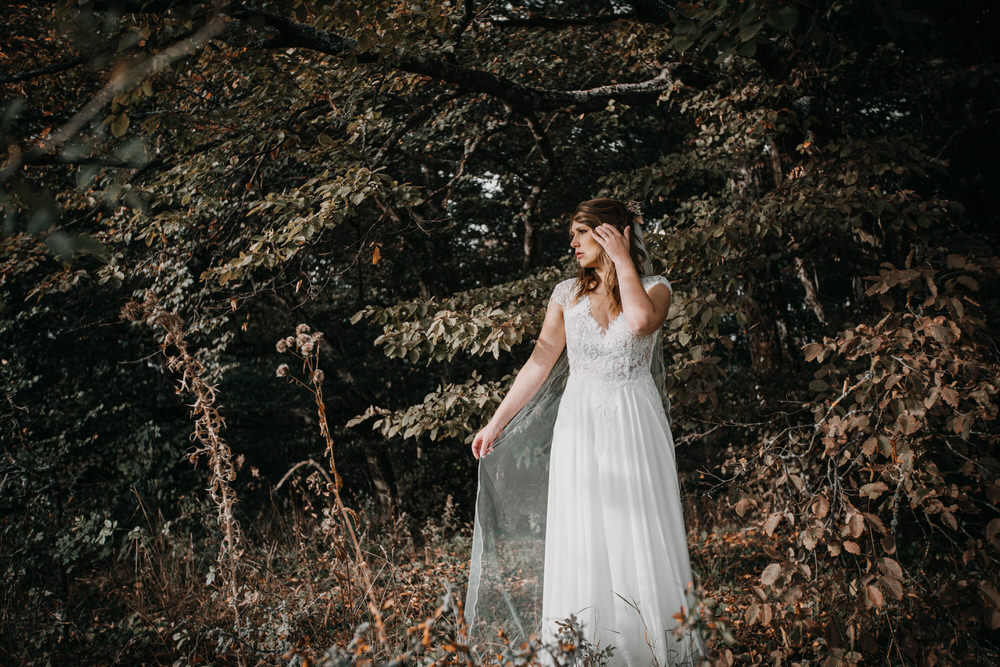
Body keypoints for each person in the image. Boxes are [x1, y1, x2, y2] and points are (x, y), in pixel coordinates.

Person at [464, 198, 707, 667]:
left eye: (581, 233)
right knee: (584, 529)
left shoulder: (656, 288)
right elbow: (538, 364)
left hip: (633, 422)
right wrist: (495, 422)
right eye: (573, 235)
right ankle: (585, 649)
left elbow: (638, 323)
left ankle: (651, 650)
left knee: (633, 526)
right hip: (579, 425)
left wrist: (622, 259)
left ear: (610, 234)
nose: (573, 244)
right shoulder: (564, 295)